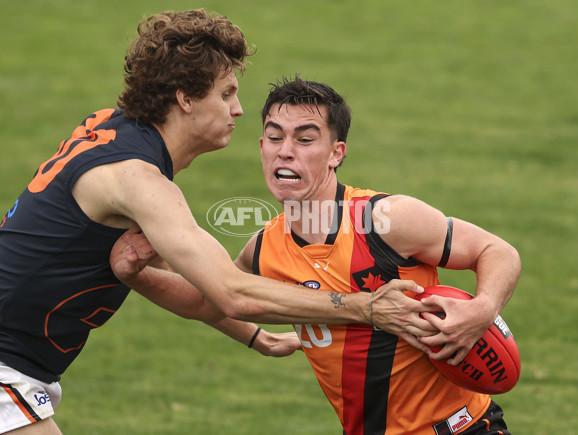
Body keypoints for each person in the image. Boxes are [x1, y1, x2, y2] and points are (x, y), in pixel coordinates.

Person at [0, 11, 428, 435]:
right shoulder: (139, 181)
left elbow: (198, 278)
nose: (239, 110)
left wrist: (255, 337)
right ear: (186, 98)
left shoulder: (111, 134)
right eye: (226, 94)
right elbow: (231, 290)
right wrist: (364, 307)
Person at [111, 76, 521, 434]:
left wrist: (483, 309)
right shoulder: (264, 250)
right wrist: (138, 276)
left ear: (335, 153)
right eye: (274, 137)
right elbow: (210, 301)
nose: (285, 151)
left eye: (305, 139)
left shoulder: (386, 221)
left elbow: (495, 250)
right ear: (261, 146)